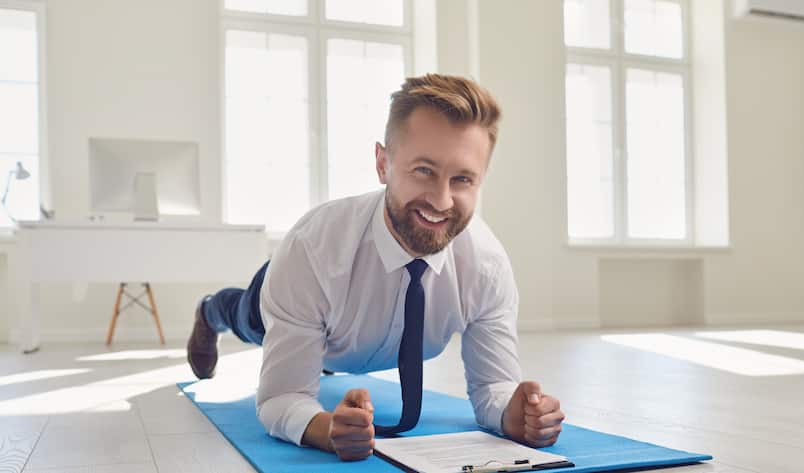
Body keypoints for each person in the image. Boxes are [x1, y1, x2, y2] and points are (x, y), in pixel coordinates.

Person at [186, 74, 566, 461]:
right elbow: (282, 398)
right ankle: (209, 311)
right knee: (245, 318)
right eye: (423, 170)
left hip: (338, 331)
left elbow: (494, 386)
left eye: (463, 179)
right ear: (383, 164)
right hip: (293, 295)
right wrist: (324, 429)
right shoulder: (311, 250)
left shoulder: (486, 267)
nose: (441, 200)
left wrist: (512, 414)